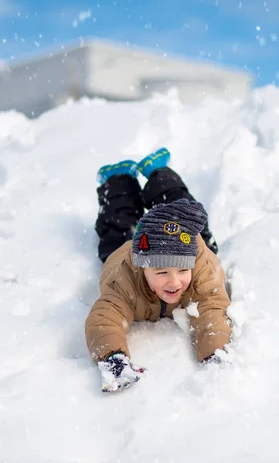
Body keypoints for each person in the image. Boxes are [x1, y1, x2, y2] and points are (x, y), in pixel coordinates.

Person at [85, 147, 232, 393]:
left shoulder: (201, 272)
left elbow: (212, 310)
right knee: (118, 228)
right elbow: (104, 319)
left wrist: (214, 352)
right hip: (130, 247)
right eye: (162, 273)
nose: (174, 281)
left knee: (179, 207)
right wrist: (113, 358)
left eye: (182, 271)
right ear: (142, 269)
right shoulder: (125, 281)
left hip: (183, 237)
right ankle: (118, 180)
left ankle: (159, 172)